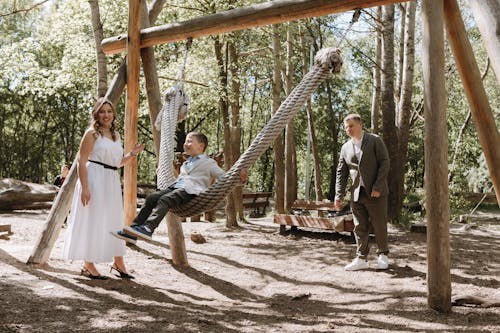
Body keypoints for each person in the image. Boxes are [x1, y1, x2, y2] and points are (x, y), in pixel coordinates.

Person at [113, 131, 247, 243]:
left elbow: (224, 178)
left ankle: (148, 228)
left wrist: (240, 179)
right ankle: (134, 229)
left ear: (201, 146)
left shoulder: (208, 162)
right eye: (186, 141)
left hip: (192, 192)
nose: (185, 144)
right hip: (177, 188)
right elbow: (181, 179)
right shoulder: (186, 163)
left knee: (165, 200)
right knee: (152, 198)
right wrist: (168, 172)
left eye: (189, 141)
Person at [62, 97, 144, 279]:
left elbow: (118, 163)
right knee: (93, 219)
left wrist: (132, 154)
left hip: (111, 180)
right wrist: (85, 188)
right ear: (96, 114)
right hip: (94, 178)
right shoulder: (92, 133)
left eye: (109, 111)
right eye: (102, 112)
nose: (106, 115)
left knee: (114, 221)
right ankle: (88, 263)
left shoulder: (116, 136)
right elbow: (81, 163)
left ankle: (118, 262)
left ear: (113, 114)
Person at [334, 113, 390, 271]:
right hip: (356, 193)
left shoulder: (374, 140)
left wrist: (378, 187)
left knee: (379, 225)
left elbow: (385, 163)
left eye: (351, 126)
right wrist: (338, 195)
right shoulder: (345, 147)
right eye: (346, 127)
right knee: (359, 227)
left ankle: (383, 255)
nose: (348, 129)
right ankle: (361, 258)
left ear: (360, 125)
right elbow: (341, 173)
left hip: (376, 192)